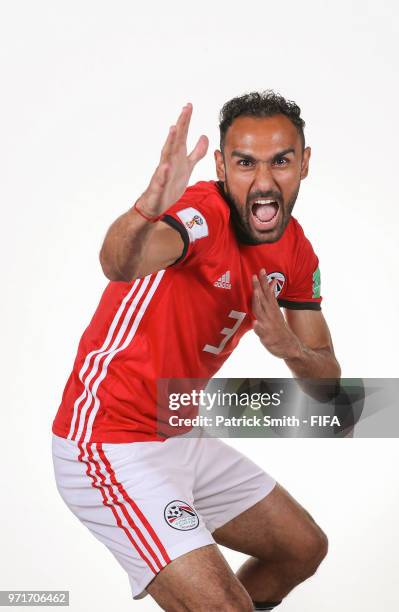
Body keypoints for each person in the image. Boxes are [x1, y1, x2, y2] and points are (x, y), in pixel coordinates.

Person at [52, 91, 341, 611]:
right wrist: (147, 209)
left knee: (301, 549)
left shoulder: (296, 250)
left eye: (281, 161)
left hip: (180, 432)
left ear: (305, 163)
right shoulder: (200, 216)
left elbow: (328, 387)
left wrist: (288, 348)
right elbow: (122, 262)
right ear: (221, 167)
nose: (264, 181)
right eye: (245, 163)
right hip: (109, 443)